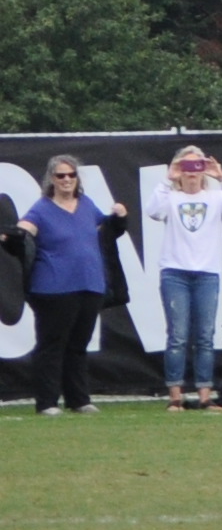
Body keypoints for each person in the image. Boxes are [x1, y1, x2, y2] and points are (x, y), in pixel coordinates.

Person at [143, 147, 222, 409]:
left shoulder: (216, 197)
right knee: (177, 335)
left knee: (205, 336)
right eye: (186, 167)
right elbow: (153, 210)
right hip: (175, 272)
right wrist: (169, 177)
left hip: (207, 273)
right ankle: (175, 395)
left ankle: (204, 395)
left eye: (196, 166)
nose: (192, 173)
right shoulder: (171, 198)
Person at [15, 157, 120, 414]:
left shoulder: (86, 204)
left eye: (71, 175)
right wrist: (15, 235)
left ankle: (78, 399)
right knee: (52, 346)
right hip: (54, 287)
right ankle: (47, 402)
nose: (66, 180)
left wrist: (119, 218)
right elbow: (23, 233)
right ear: (52, 179)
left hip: (89, 284)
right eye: (61, 176)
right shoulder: (41, 209)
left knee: (78, 346)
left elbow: (105, 230)